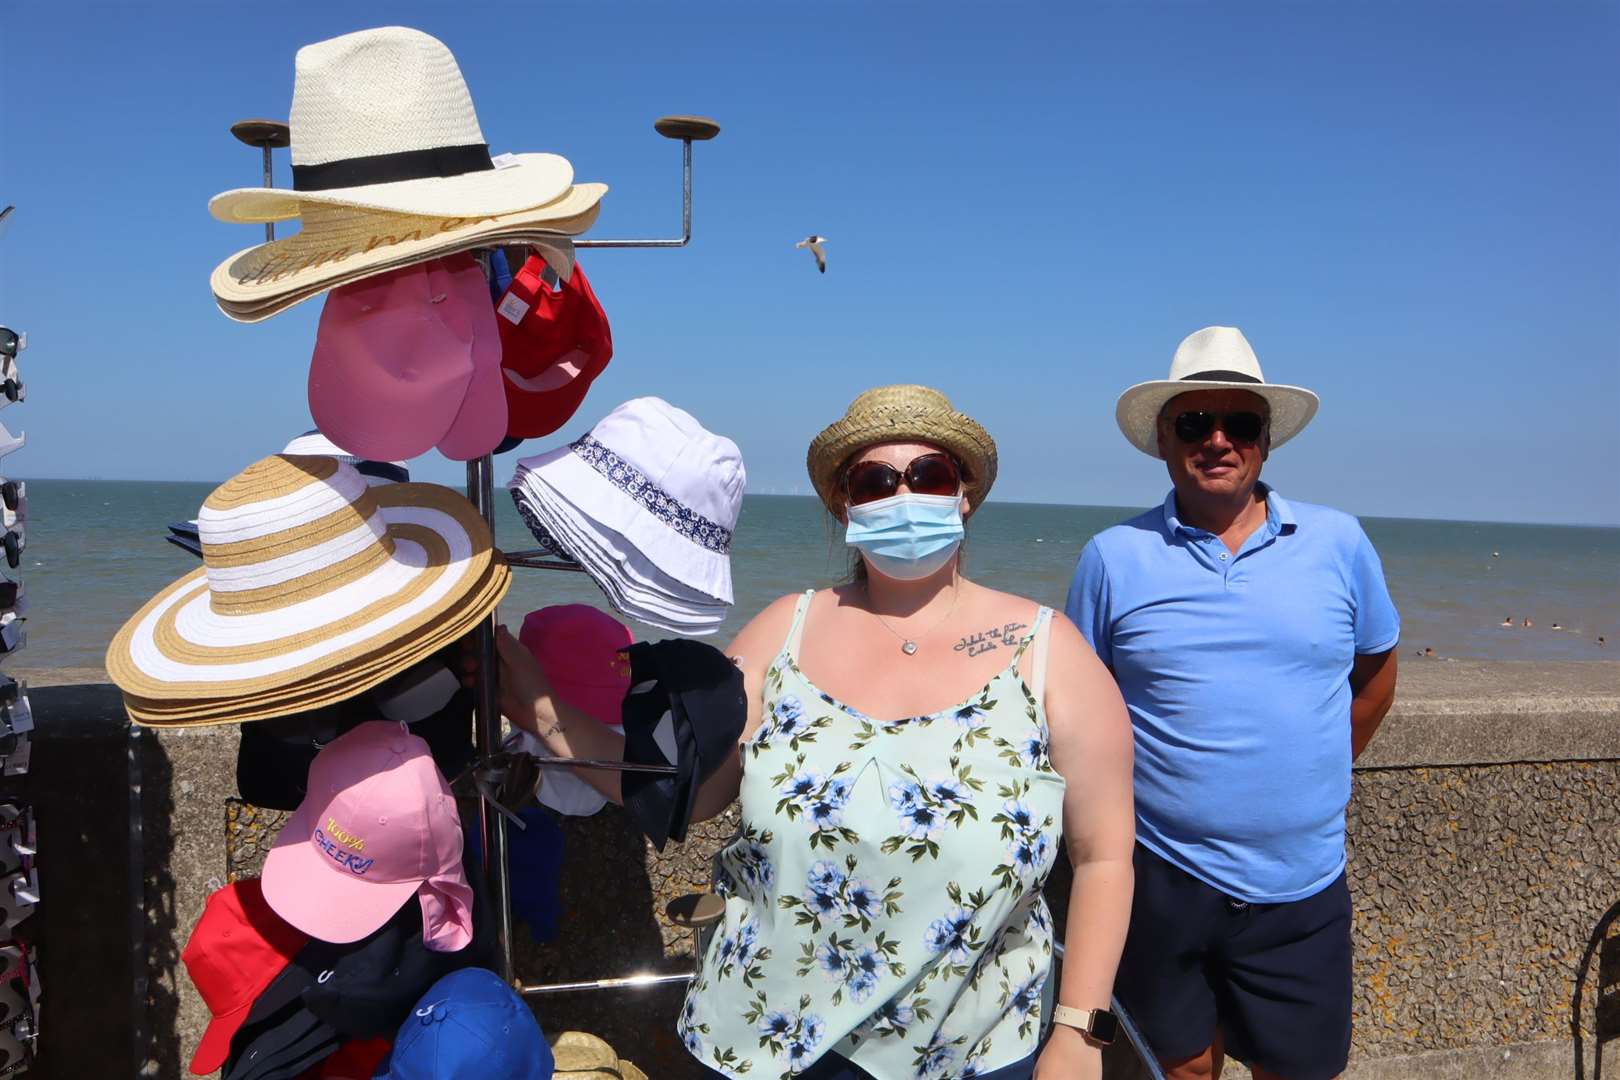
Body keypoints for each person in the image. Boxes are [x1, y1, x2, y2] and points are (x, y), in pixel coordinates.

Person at [498, 385, 1135, 1080]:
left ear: (965, 496)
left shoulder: (1049, 650)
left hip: (970, 1050)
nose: (902, 496)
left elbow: (1103, 854)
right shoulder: (782, 630)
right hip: (756, 1042)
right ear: (843, 504)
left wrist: (1078, 1033)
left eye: (929, 475)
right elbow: (687, 789)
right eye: (874, 480)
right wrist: (539, 708)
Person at [1066, 327, 1399, 1080]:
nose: (1217, 441)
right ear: (1163, 438)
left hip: (1302, 882)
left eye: (1239, 423)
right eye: (1194, 423)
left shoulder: (1339, 543)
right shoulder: (1112, 557)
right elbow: (1084, 709)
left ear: (1266, 440)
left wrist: (1316, 770)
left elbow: (1376, 672)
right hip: (1159, 875)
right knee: (1180, 1069)